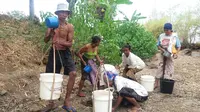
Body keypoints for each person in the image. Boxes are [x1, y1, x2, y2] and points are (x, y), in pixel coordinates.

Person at [43, 3, 77, 112]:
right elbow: (46, 40)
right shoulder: (51, 25)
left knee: (73, 73)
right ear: (57, 14)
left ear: (67, 14)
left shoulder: (69, 26)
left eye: (65, 12)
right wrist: (50, 33)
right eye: (61, 12)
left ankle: (67, 101)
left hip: (65, 52)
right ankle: (51, 103)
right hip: (54, 52)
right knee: (52, 76)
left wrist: (61, 42)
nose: (63, 14)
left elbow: (70, 43)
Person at [154, 23, 181, 89]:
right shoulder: (161, 36)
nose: (166, 32)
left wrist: (176, 53)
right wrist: (162, 50)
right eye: (165, 30)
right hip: (162, 52)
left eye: (167, 30)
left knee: (170, 66)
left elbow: (178, 46)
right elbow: (158, 45)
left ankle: (167, 81)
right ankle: (156, 83)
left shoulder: (174, 37)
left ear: (170, 30)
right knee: (160, 66)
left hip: (170, 54)